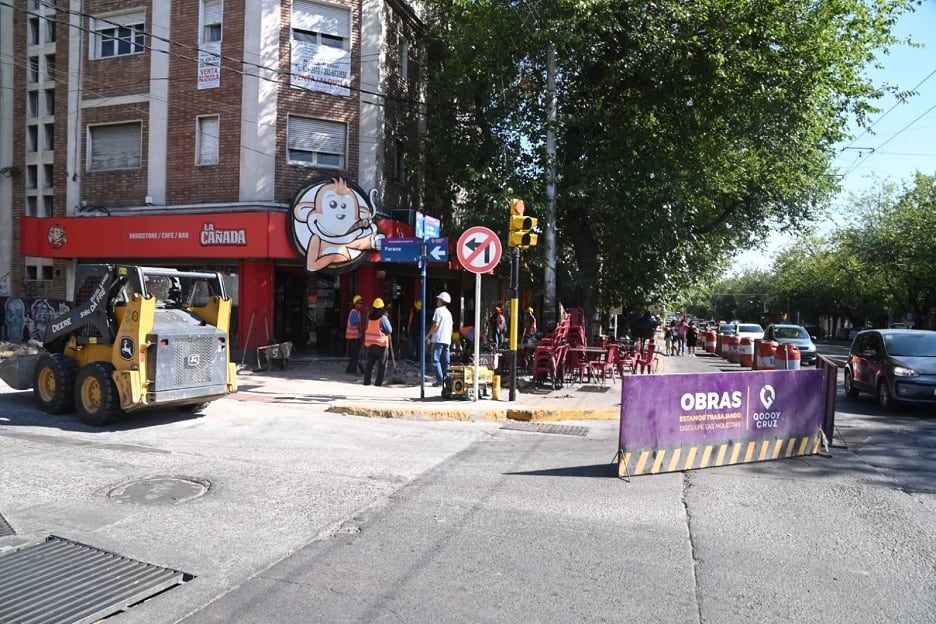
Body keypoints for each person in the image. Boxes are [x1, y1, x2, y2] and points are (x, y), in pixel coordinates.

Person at [426, 292, 454, 387]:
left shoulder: (438, 311)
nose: (437, 301)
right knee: (445, 361)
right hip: (447, 340)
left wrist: (428, 335)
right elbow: (451, 328)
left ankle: (440, 380)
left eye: (438, 299)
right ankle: (446, 380)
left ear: (442, 301)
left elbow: (436, 325)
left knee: (435, 360)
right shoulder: (449, 313)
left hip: (438, 339)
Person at [363, 298, 392, 386]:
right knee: (382, 365)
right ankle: (378, 383)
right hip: (381, 345)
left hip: (371, 345)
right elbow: (389, 330)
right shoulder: (383, 318)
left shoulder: (370, 317)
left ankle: (367, 382)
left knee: (369, 365)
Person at [345, 295, 365, 374]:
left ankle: (350, 369)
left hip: (356, 337)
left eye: (361, 303)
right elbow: (356, 324)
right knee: (354, 355)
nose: (360, 304)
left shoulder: (358, 312)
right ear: (355, 304)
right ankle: (352, 370)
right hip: (353, 337)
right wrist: (361, 331)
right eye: (359, 303)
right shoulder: (353, 313)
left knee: (355, 354)